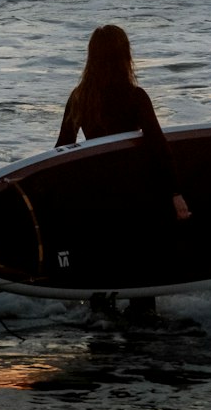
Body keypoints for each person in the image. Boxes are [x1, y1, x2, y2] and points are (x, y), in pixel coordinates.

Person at [56, 24, 190, 320]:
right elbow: (159, 147)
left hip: (97, 200)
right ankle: (139, 347)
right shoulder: (135, 96)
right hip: (136, 199)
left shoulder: (79, 97)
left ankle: (103, 343)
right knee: (141, 280)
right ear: (125, 57)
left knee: (102, 279)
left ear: (91, 58)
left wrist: (65, 200)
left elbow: (62, 150)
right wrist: (175, 193)